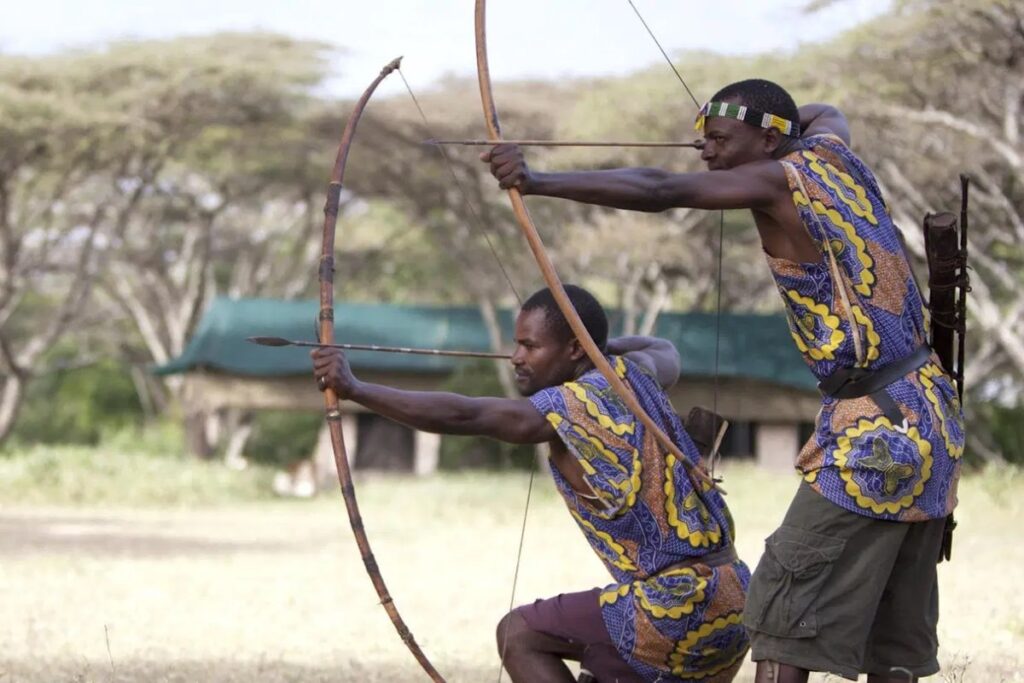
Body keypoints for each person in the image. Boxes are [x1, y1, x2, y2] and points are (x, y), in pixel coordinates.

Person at [482, 79, 965, 683]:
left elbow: (661, 190)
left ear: (768, 140)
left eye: (716, 141)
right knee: (895, 627)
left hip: (875, 432)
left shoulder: (776, 177)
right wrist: (744, 123)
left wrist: (538, 181)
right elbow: (824, 112)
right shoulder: (833, 153)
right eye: (700, 140)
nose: (704, 154)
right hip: (932, 417)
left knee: (780, 605)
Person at [313, 285, 750, 683]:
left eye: (530, 345)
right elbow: (664, 348)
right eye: (517, 343)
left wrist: (354, 388)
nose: (516, 357)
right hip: (735, 599)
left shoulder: (570, 407)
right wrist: (594, 350)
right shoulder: (633, 372)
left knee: (518, 634)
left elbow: (465, 415)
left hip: (677, 608)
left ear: (575, 349)